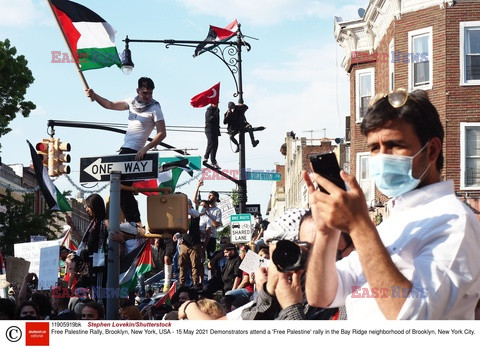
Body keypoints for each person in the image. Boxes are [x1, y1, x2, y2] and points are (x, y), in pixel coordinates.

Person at [303, 89, 480, 320]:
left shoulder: (455, 221)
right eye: (374, 148)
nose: (382, 157)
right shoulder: (391, 223)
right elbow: (322, 295)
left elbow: (412, 320)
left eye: (395, 145)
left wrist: (359, 225)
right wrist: (326, 232)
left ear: (432, 150)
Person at [86, 77, 167, 228]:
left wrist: (146, 149)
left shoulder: (155, 108)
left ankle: (134, 222)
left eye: (150, 93)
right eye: (144, 93)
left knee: (119, 186)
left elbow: (162, 133)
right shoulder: (131, 102)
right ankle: (134, 222)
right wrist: (94, 95)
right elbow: (109, 105)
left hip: (136, 151)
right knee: (120, 186)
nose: (147, 96)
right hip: (126, 149)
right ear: (138, 91)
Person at [77, 193, 108, 300]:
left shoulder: (106, 223)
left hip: (100, 266)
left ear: (95, 206)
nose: (86, 209)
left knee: (100, 295)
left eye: (88, 206)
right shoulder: (92, 224)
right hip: (91, 266)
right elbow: (85, 242)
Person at [193, 179, 222, 260]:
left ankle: (211, 272)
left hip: (211, 237)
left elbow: (216, 224)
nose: (208, 196)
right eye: (208, 195)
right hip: (200, 236)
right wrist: (198, 187)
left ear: (216, 198)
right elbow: (194, 200)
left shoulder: (217, 210)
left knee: (210, 257)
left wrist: (206, 215)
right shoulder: (203, 205)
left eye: (211, 195)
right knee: (199, 257)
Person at [203, 103, 221, 169]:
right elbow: (209, 120)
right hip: (209, 129)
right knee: (211, 143)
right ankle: (206, 157)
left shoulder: (217, 110)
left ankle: (213, 161)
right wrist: (215, 114)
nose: (217, 105)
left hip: (215, 130)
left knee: (215, 145)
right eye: (215, 103)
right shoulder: (209, 110)